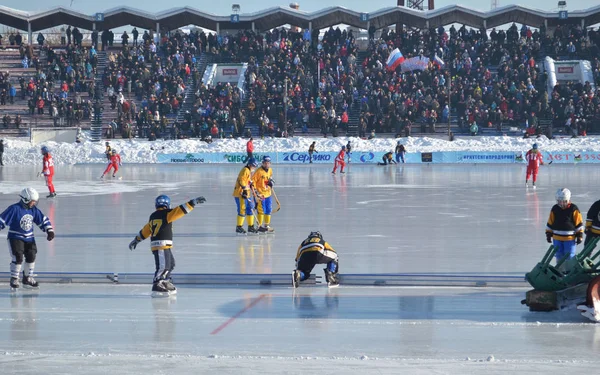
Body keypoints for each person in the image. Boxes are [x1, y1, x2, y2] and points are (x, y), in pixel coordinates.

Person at [128, 195, 206, 295]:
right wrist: (192, 203)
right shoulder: (167, 214)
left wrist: (137, 239)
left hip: (161, 245)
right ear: (167, 204)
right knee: (163, 266)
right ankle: (157, 283)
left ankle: (165, 281)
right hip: (161, 245)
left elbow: (146, 230)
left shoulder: (153, 215)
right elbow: (180, 210)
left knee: (170, 264)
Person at [0, 188, 54, 290]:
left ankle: (27, 278)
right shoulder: (14, 209)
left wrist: (49, 230)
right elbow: (2, 219)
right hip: (15, 237)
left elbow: (42, 219)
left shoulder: (33, 210)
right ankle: (14, 278)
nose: (34, 203)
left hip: (29, 238)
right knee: (18, 257)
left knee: (31, 256)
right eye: (32, 201)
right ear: (26, 199)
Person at [545, 188, 584, 266]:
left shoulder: (573, 209)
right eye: (560, 201)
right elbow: (550, 222)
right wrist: (548, 234)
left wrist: (579, 235)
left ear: (568, 199)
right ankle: (560, 269)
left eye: (564, 201)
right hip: (557, 238)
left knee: (569, 255)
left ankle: (569, 270)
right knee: (558, 255)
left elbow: (579, 223)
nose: (562, 203)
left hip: (569, 238)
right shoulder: (555, 208)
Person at [233, 157, 259, 234]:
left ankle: (251, 226)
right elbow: (241, 180)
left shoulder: (249, 171)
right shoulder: (245, 170)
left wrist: (251, 184)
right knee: (242, 209)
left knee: (250, 208)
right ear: (250, 165)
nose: (254, 168)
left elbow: (248, 181)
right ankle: (239, 227)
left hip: (247, 193)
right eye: (253, 166)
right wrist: (244, 189)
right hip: (240, 193)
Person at [252, 156, 275, 233]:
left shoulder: (270, 170)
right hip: (260, 194)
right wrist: (255, 191)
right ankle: (259, 226)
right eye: (265, 163)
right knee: (261, 210)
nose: (267, 164)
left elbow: (270, 178)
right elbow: (253, 182)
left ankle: (267, 225)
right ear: (262, 163)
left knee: (268, 209)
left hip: (268, 193)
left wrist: (271, 182)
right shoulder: (258, 171)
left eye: (268, 163)